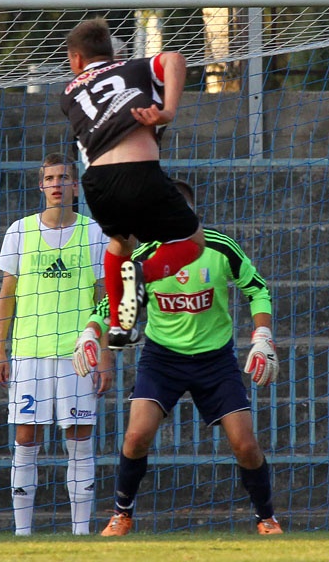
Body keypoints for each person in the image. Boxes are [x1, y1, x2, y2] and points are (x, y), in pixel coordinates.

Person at [75, 180, 282, 537]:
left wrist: (262, 335)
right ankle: (122, 514)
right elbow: (109, 303)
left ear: (190, 216)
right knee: (136, 437)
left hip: (215, 360)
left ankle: (266, 518)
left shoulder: (219, 247)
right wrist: (90, 333)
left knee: (245, 445)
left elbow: (257, 288)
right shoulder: (140, 258)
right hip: (162, 359)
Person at [60, 18, 206, 350]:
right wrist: (167, 111)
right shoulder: (136, 68)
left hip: (96, 185)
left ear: (76, 60)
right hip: (139, 173)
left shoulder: (68, 93)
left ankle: (119, 326)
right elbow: (175, 59)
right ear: (112, 54)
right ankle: (143, 274)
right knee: (194, 242)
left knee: (119, 245)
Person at [0, 153, 113, 535]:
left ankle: (81, 532)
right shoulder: (19, 230)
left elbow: (104, 298)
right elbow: (6, 295)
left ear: (76, 185)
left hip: (78, 355)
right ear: (41, 185)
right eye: (50, 178)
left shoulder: (94, 232)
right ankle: (22, 533)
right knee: (26, 437)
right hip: (28, 352)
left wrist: (106, 353)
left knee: (79, 438)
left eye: (64, 177)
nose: (57, 183)